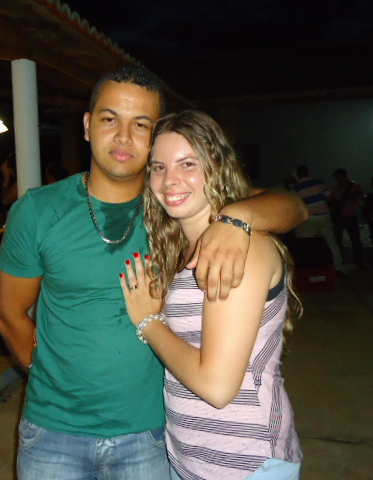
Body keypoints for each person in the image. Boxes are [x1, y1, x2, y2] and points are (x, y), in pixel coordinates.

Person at [0, 66, 307, 480]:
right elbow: (8, 313)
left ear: (154, 135)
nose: (124, 136)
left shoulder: (177, 204)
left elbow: (292, 206)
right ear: (87, 125)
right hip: (55, 430)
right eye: (110, 119)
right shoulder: (40, 210)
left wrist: (237, 218)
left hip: (151, 432)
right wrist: (49, 376)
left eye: (140, 124)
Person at [120, 110, 302, 480]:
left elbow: (217, 386)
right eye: (158, 167)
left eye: (187, 163)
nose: (169, 180)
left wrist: (148, 321)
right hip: (191, 458)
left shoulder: (240, 248)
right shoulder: (183, 248)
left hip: (246, 464)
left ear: (216, 166)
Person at [293, 165, 347, 275]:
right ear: (308, 172)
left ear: (298, 175)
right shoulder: (320, 182)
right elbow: (329, 197)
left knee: (306, 241)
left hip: (309, 218)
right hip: (324, 216)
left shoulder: (296, 189)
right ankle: (339, 267)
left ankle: (309, 267)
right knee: (331, 242)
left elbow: (296, 205)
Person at [328, 168, 365, 267]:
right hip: (339, 216)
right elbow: (330, 202)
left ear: (345, 176)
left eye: (338, 177)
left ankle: (359, 261)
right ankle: (340, 262)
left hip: (350, 216)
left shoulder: (354, 186)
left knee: (355, 241)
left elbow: (361, 196)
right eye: (336, 178)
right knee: (338, 241)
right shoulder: (335, 188)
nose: (337, 180)